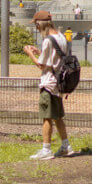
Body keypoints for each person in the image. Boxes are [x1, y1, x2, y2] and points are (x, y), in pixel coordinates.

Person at [23, 11, 74, 160]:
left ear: (40, 24)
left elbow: (41, 65)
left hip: (48, 83)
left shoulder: (47, 40)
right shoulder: (60, 36)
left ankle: (46, 150)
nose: (36, 28)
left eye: (36, 25)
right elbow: (55, 57)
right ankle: (66, 146)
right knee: (58, 117)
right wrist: (39, 51)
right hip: (59, 83)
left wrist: (29, 53)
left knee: (46, 118)